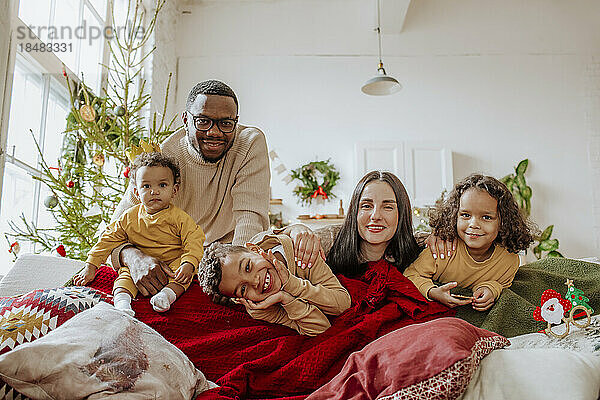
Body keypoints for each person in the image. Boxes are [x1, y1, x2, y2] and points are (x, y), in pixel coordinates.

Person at [109, 80, 270, 297]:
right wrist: (134, 258)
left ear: (236, 122)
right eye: (203, 121)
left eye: (225, 123)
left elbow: (250, 219)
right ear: (186, 120)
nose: (214, 132)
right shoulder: (163, 157)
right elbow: (112, 233)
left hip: (226, 257)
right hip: (175, 263)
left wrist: (236, 280)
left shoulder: (249, 143)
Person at [74, 152, 206, 315]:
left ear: (174, 190)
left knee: (183, 274)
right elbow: (108, 238)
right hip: (139, 264)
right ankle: (122, 304)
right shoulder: (129, 217)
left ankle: (166, 295)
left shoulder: (180, 218)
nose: (154, 191)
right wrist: (91, 265)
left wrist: (189, 263)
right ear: (137, 192)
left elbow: (194, 240)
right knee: (125, 275)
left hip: (171, 262)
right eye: (147, 186)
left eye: (162, 185)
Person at [403, 174, 535, 311]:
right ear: (454, 216)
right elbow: (410, 275)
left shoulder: (508, 259)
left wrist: (489, 289)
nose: (473, 224)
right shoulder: (442, 247)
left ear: (503, 222)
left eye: (486, 217)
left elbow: (502, 283)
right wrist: (432, 291)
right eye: (465, 215)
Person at [259, 171, 424, 278]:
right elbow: (254, 247)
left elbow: (436, 239)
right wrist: (294, 229)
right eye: (366, 206)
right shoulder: (329, 239)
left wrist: (440, 238)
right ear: (354, 211)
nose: (375, 216)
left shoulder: (419, 247)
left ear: (401, 213)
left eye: (387, 207)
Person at [197, 234, 351, 336]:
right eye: (243, 289)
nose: (255, 282)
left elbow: (343, 305)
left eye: (248, 267)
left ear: (255, 250)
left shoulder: (303, 255)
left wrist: (293, 284)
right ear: (239, 300)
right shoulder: (258, 308)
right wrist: (286, 298)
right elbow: (322, 329)